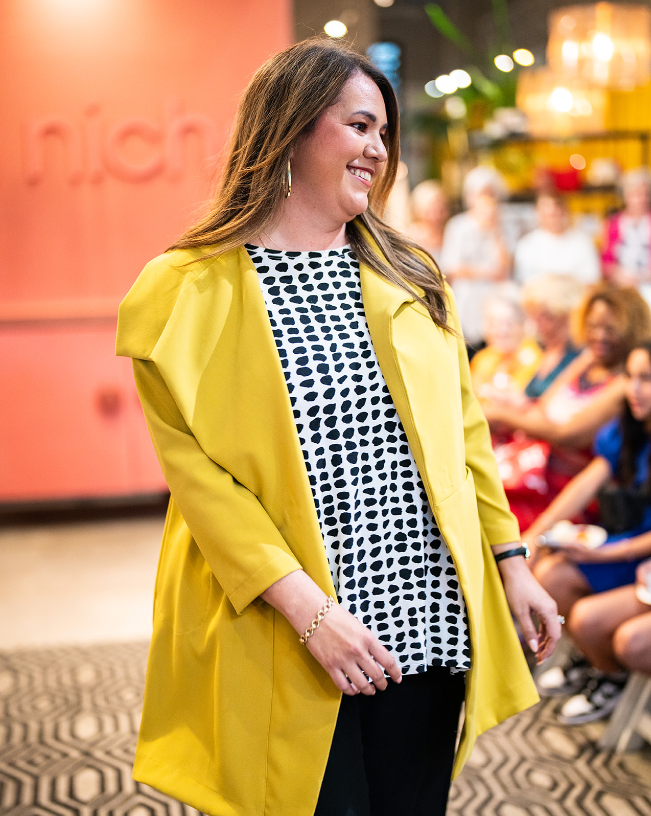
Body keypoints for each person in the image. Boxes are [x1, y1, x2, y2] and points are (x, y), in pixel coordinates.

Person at [116, 38, 559, 816]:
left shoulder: (409, 274)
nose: (377, 151)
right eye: (359, 126)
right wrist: (311, 616)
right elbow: (202, 488)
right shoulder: (183, 288)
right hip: (288, 623)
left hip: (423, 612)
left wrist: (511, 560)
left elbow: (464, 434)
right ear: (290, 126)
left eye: (383, 134)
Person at [521, 342, 651, 722]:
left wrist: (603, 554)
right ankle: (591, 659)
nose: (634, 389)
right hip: (629, 544)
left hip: (636, 553)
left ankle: (610, 676)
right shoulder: (629, 428)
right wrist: (537, 533)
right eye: (630, 376)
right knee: (549, 574)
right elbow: (586, 483)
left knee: (586, 618)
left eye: (646, 378)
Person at [484, 284, 651, 530]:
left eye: (610, 328)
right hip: (536, 472)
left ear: (630, 329)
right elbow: (543, 406)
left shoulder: (626, 383)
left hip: (566, 491)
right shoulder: (589, 360)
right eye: (593, 325)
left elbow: (568, 434)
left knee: (491, 519)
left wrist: (501, 414)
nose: (599, 335)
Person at [440, 166, 515, 348]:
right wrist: (487, 273)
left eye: (492, 194)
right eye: (482, 194)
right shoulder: (458, 226)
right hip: (468, 301)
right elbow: (451, 267)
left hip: (497, 300)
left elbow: (507, 268)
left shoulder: (505, 226)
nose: (487, 199)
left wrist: (494, 231)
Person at [470, 287, 542, 402]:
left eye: (509, 324)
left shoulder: (533, 358)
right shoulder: (483, 358)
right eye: (493, 324)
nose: (501, 332)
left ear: (523, 324)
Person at [514, 193, 600, 286]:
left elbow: (592, 278)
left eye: (557, 212)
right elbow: (524, 281)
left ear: (566, 211)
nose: (554, 218)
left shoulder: (583, 241)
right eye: (549, 214)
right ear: (537, 213)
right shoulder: (527, 244)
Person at [521, 274, 585, 401]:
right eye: (534, 317)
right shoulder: (540, 349)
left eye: (545, 318)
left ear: (568, 316)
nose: (538, 327)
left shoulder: (580, 356)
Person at [602, 168, 651, 291]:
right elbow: (606, 260)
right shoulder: (613, 223)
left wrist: (643, 276)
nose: (641, 199)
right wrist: (617, 275)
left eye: (645, 194)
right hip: (621, 283)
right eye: (636, 194)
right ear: (625, 196)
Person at [407, 180, 449, 263]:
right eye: (431, 210)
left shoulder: (451, 232)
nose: (436, 216)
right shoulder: (411, 236)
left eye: (440, 210)